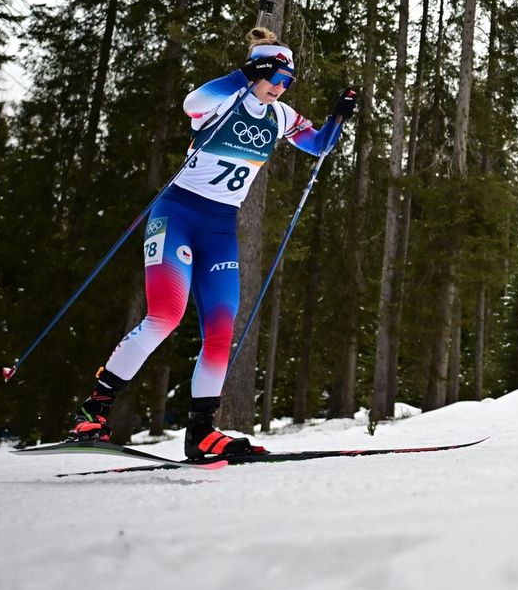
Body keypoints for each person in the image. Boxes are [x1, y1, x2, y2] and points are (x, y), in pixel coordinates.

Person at [69, 27, 356, 461]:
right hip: (178, 214)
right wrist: (243, 76)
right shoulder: (224, 101)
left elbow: (317, 146)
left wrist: (337, 117)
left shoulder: (280, 117)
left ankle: (201, 432)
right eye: (274, 77)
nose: (279, 87)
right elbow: (191, 104)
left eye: (287, 82)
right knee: (165, 316)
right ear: (256, 72)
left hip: (220, 227)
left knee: (220, 331)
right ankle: (94, 411)